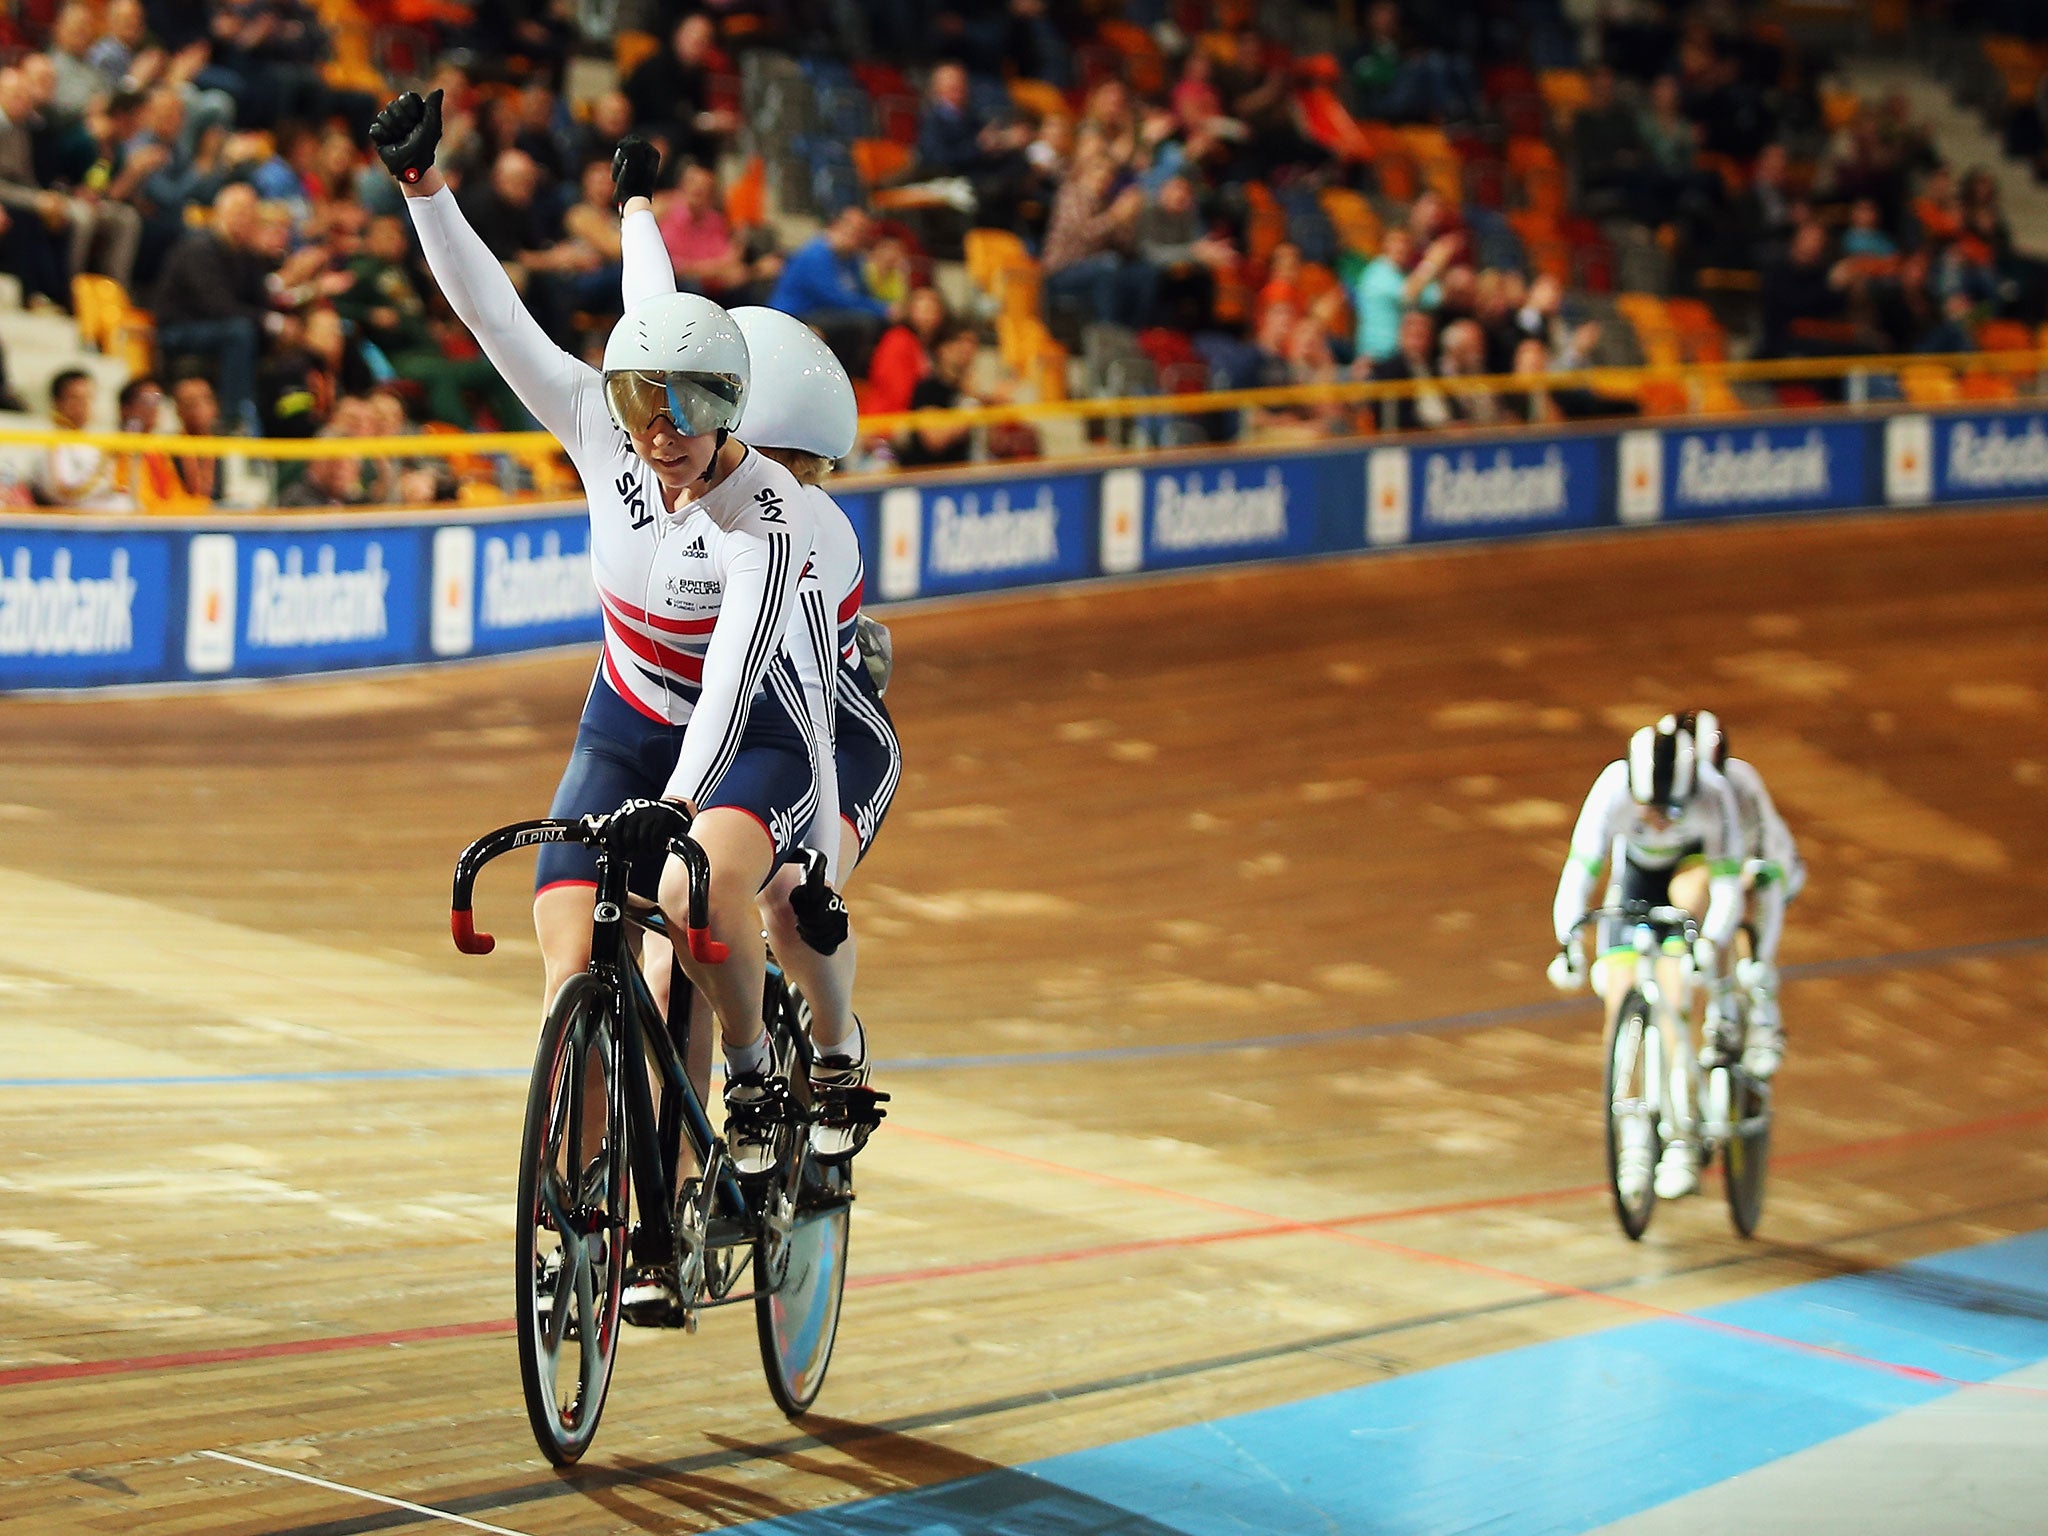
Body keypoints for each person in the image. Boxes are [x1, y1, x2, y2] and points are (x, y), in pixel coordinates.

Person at [370, 91, 824, 1183]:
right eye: (639, 406)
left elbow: (730, 679)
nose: (660, 435)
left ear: (727, 407)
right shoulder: (596, 419)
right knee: (571, 964)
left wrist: (682, 805)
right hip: (621, 725)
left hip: (732, 737)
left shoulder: (761, 509)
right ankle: (571, 1223)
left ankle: (706, 1140)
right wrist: (425, 191)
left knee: (685, 939)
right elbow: (498, 320)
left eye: (687, 409)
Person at [1547, 716, 1745, 1202]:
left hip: (1688, 875)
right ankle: (1633, 1137)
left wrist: (1709, 942)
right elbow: (1579, 871)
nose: (1658, 819)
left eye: (1671, 810)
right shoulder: (1612, 788)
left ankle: (1681, 1135)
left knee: (1674, 995)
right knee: (1619, 1003)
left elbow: (1726, 888)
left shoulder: (1714, 794)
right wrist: (1568, 942)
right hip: (1634, 881)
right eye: (1648, 807)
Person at [1677, 711, 1802, 1079]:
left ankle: (1763, 1012)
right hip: (1721, 864)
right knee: (1702, 907)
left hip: (1767, 861)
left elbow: (1764, 851)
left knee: (1749, 897)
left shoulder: (1743, 782)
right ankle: (1723, 1013)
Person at [767, 205, 895, 375]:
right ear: (836, 225)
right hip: (794, 317)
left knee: (879, 323)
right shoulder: (816, 254)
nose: (856, 235)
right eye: (851, 227)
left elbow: (862, 293)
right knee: (862, 323)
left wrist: (886, 308)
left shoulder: (852, 260)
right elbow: (836, 297)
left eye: (861, 231)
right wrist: (882, 309)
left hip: (825, 314)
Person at [34, 368, 135, 510]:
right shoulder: (49, 443)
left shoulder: (96, 443)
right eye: (75, 398)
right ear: (57, 402)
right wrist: (103, 464)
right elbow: (61, 494)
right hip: (81, 519)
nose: (84, 405)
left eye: (88, 397)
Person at [895, 319, 980, 468]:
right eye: (959, 342)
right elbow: (934, 439)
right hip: (926, 474)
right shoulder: (928, 389)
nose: (966, 350)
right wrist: (969, 409)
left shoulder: (969, 390)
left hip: (962, 473)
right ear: (942, 349)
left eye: (972, 343)